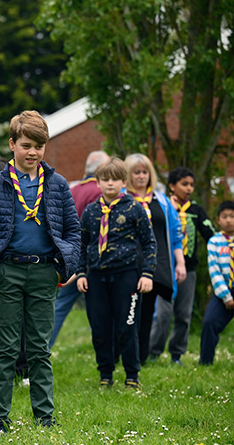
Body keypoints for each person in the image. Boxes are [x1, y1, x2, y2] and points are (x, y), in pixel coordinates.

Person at [0, 110, 80, 433]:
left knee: (39, 349)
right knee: (5, 349)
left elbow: (73, 230)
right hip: (8, 272)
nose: (33, 152)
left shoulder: (56, 184)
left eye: (39, 146)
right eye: (27, 145)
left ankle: (45, 418)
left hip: (44, 273)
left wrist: (66, 265)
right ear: (12, 144)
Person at [76, 157, 156, 389]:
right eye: (105, 179)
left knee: (127, 327)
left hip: (127, 276)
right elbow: (82, 245)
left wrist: (147, 273)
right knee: (100, 328)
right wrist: (81, 273)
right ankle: (105, 374)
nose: (110, 184)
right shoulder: (91, 212)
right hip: (96, 278)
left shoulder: (134, 209)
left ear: (124, 182)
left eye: (115, 180)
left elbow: (149, 243)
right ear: (98, 182)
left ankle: (132, 375)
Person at [149, 167, 216, 364]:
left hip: (189, 270)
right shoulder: (163, 206)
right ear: (172, 186)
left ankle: (176, 354)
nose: (189, 189)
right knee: (163, 313)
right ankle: (153, 353)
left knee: (184, 315)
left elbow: (211, 234)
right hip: (165, 268)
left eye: (191, 185)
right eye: (184, 184)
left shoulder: (196, 211)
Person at [124, 154, 185, 365]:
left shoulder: (162, 200)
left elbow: (176, 234)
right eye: (136, 172)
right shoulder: (122, 198)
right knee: (128, 313)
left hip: (156, 265)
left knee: (147, 312)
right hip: (127, 265)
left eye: (145, 172)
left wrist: (180, 263)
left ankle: (141, 358)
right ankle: (122, 356)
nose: (141, 176)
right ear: (128, 175)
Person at [50, 151, 110, 348]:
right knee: (102, 310)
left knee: (59, 308)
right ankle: (107, 353)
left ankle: (42, 349)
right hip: (92, 261)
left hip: (70, 258)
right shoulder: (101, 193)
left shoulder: (74, 190)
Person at [199, 200, 234, 365]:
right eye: (225, 216)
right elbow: (214, 270)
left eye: (232, 216)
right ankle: (205, 362)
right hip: (224, 291)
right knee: (209, 322)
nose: (229, 220)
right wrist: (226, 296)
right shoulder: (214, 242)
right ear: (218, 220)